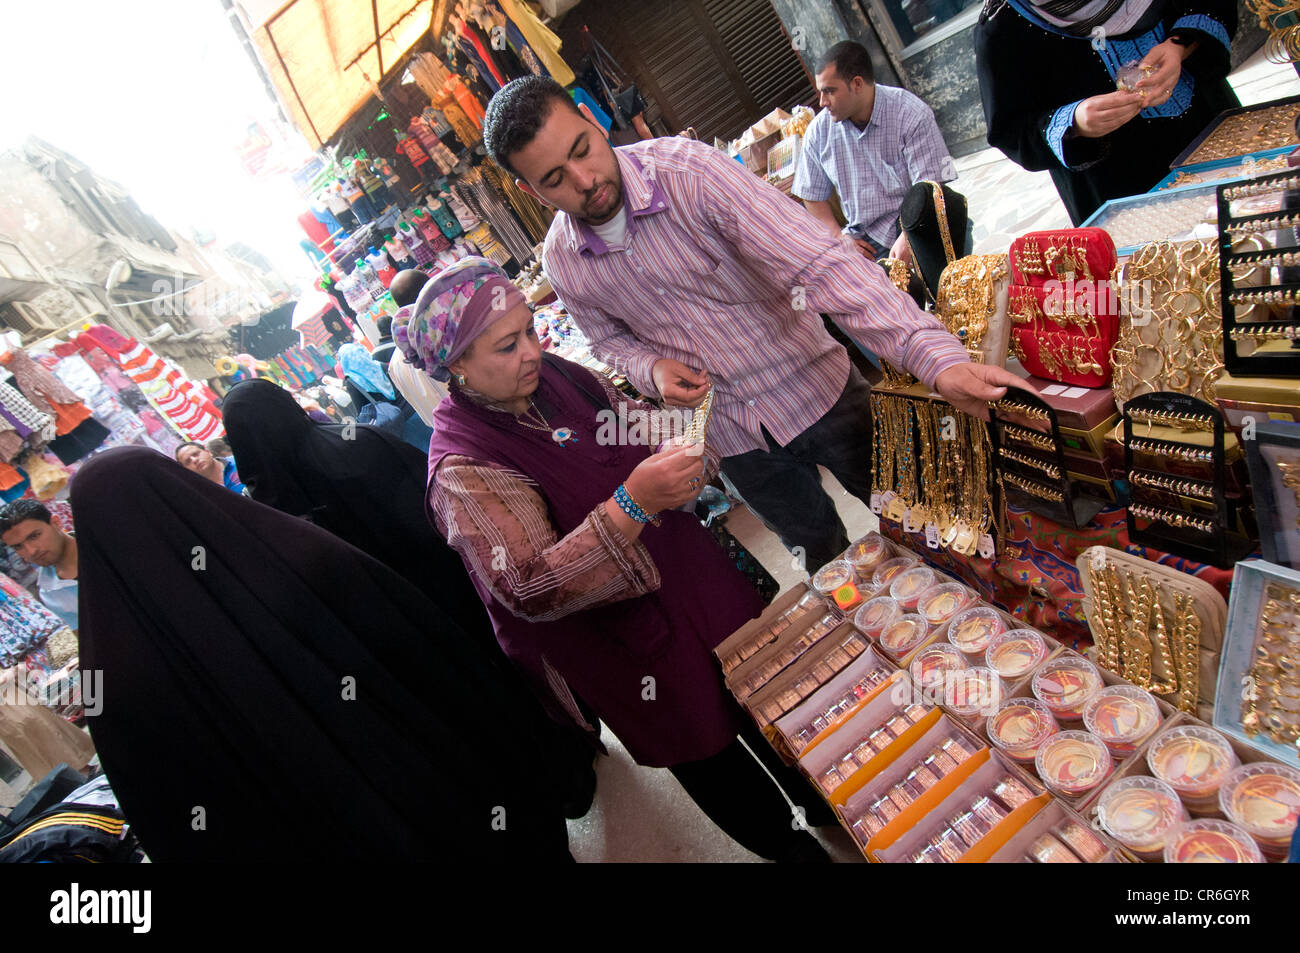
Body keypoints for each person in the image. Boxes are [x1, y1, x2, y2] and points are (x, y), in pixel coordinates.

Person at [483, 75, 1028, 571]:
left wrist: (929, 354)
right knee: (827, 562)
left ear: (596, 123)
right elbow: (609, 342)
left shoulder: (690, 175)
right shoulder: (564, 261)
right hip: (734, 441)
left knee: (930, 524)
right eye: (555, 178)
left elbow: (820, 265)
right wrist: (651, 369)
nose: (584, 179)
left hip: (822, 393)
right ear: (533, 191)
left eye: (583, 150)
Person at [404, 256, 835, 863]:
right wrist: (632, 503)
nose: (531, 351)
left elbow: (626, 424)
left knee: (770, 702)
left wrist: (678, 441)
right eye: (507, 345)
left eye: (530, 329)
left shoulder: (557, 376)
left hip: (694, 584)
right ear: (457, 367)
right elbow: (527, 585)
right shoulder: (464, 468)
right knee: (708, 752)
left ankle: (824, 804)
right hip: (627, 643)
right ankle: (795, 854)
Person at [71, 446, 576, 861]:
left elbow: (168, 815)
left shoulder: (114, 672)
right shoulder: (298, 555)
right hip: (444, 788)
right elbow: (431, 652)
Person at [975, 0, 1239, 225]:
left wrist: (1179, 45)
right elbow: (1012, 129)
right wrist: (1074, 121)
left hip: (1218, 137)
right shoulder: (1003, 27)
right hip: (1125, 195)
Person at [794, 41, 956, 262]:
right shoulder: (819, 132)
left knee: (946, 282)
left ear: (857, 84)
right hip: (863, 237)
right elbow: (811, 194)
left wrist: (910, 236)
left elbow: (931, 187)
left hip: (920, 221)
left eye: (829, 91)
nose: (822, 102)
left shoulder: (909, 113)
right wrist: (837, 236)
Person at [0, 500, 79, 630]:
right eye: (18, 546)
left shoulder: (105, 544)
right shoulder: (50, 594)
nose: (31, 551)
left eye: (34, 536)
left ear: (56, 523)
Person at [175, 441, 245, 494]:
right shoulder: (201, 493)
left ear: (208, 452)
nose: (194, 460)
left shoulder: (239, 461)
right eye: (188, 461)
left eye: (196, 454)